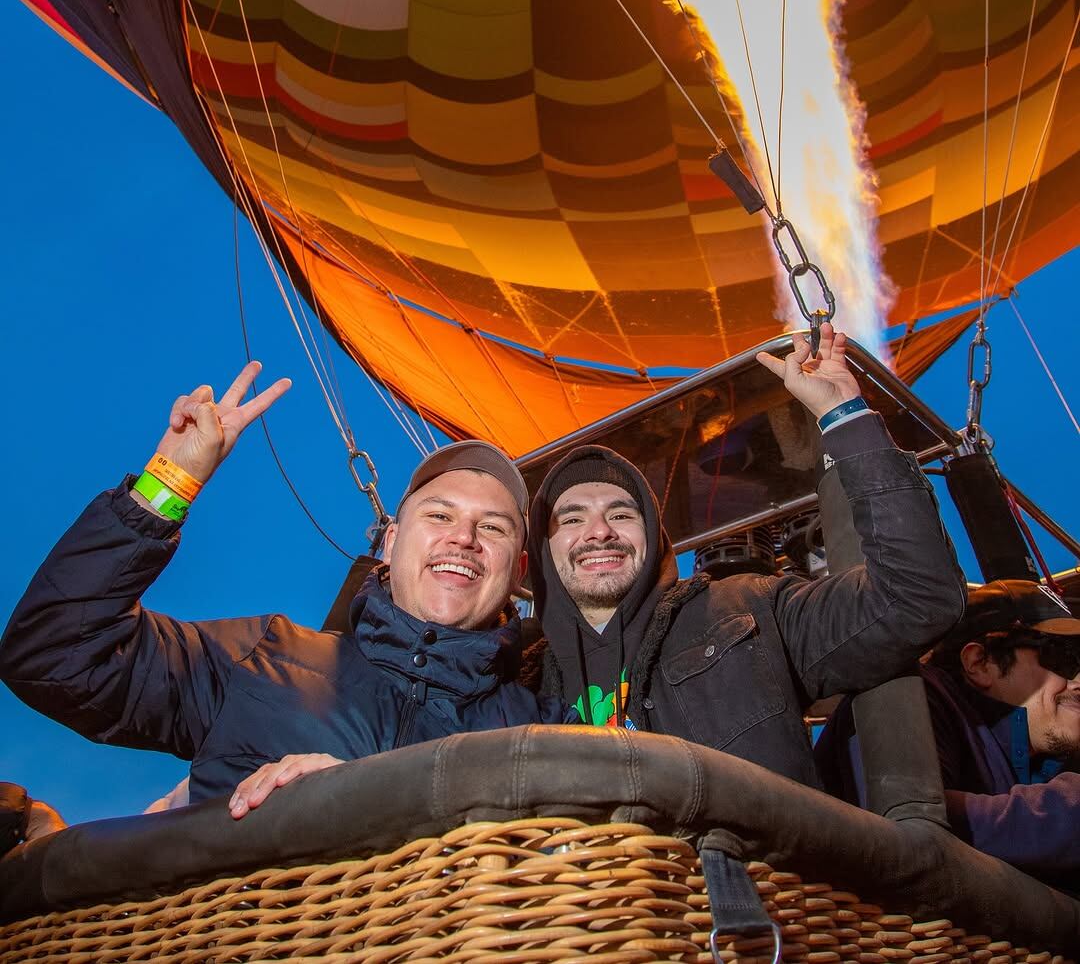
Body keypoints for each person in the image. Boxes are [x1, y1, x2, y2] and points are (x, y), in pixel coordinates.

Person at [0, 362, 573, 820]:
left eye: (492, 527)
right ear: (391, 543)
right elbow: (55, 657)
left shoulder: (541, 735)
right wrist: (165, 485)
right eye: (439, 516)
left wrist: (360, 797)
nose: (464, 538)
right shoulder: (262, 659)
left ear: (518, 567)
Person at [521, 324, 967, 790]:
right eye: (571, 520)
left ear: (655, 537)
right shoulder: (523, 680)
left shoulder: (749, 613)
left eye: (622, 514)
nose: (600, 532)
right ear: (543, 551)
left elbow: (917, 598)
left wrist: (845, 418)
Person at [817, 579, 1080, 880]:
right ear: (979, 662)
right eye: (1060, 661)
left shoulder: (1045, 760)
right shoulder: (908, 694)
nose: (1076, 682)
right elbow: (909, 822)